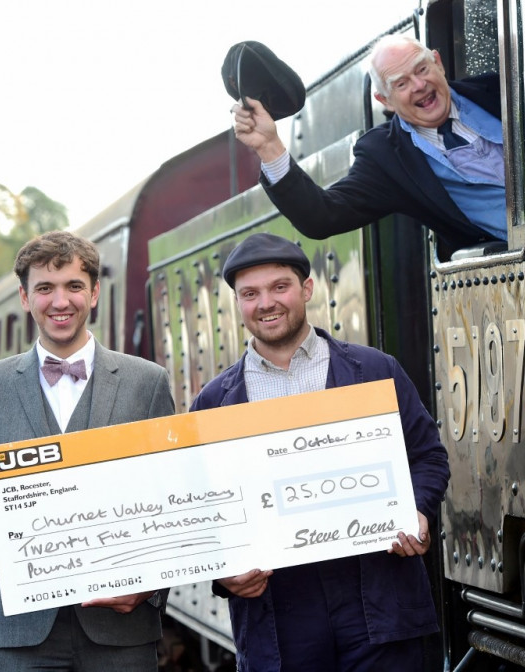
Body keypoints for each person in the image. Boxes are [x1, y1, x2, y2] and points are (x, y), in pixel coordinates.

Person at [190, 232, 451, 671]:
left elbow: (428, 457)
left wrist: (420, 510)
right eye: (250, 294)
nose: (266, 303)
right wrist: (223, 572)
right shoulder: (216, 401)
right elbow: (199, 506)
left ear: (306, 289)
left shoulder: (373, 370)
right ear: (237, 303)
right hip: (279, 608)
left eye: (279, 287)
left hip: (377, 594)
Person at [0, 231, 175, 671]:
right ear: (26, 298)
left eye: (73, 286)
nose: (60, 301)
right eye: (45, 288)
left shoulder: (148, 383)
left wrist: (150, 588)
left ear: (95, 292)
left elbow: (173, 500)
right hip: (17, 629)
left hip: (119, 628)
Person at [231, 33, 505, 255]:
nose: (419, 85)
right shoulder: (385, 158)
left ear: (438, 63)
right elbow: (322, 216)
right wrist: (269, 146)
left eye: (422, 69)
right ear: (384, 100)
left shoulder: (502, 88)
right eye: (401, 83)